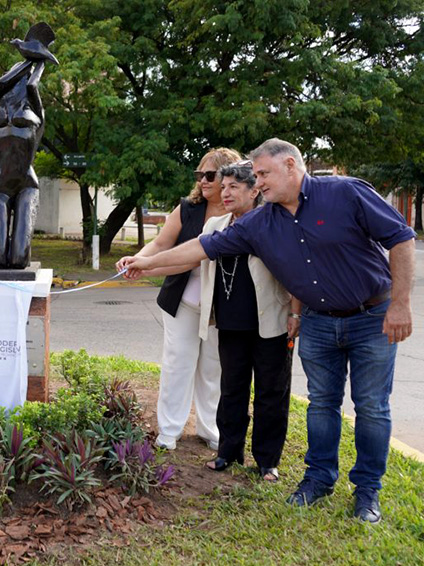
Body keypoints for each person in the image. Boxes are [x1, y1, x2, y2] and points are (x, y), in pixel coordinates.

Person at [123, 138, 416, 523]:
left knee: (372, 407)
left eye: (263, 173)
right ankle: (318, 480)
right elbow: (200, 248)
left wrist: (400, 303)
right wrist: (146, 263)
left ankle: (367, 492)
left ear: (290, 166)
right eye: (256, 175)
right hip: (319, 321)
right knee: (322, 405)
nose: (257, 182)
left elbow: (401, 237)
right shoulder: (261, 222)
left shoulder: (345, 192)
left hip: (371, 317)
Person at [116, 148, 241, 451]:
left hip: (221, 305)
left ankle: (210, 428)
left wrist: (147, 265)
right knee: (178, 364)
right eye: (199, 175)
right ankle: (169, 430)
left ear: (229, 177)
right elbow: (161, 243)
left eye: (209, 175)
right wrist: (137, 258)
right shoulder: (188, 208)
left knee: (213, 367)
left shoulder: (241, 212)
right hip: (182, 299)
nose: (203, 181)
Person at [198, 162, 299, 481]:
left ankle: (267, 460)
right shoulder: (214, 226)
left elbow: (295, 271)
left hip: (272, 321)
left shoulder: (274, 223)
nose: (225, 193)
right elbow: (194, 258)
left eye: (233, 187)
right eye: (223, 187)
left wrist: (295, 312)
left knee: (272, 391)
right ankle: (228, 451)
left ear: (254, 190)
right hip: (230, 321)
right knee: (231, 389)